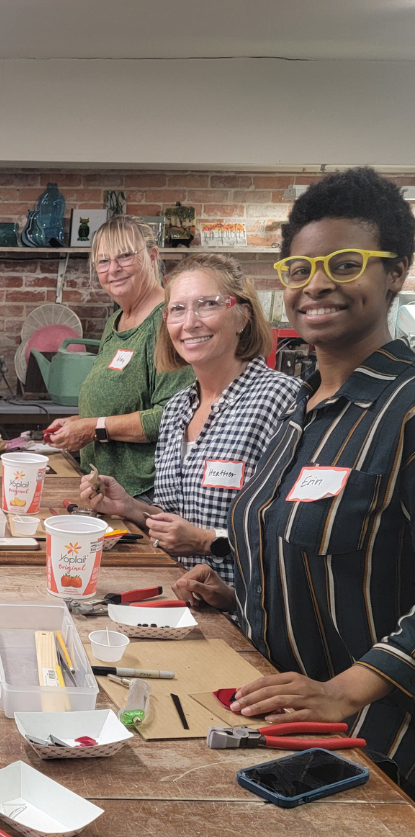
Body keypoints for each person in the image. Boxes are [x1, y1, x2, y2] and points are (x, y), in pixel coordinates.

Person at [173, 168, 415, 792]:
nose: (317, 284)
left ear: (397, 272)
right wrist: (247, 598)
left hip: (378, 746)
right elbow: (314, 549)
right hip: (280, 721)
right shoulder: (297, 410)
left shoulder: (406, 407)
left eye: (345, 262)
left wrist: (343, 691)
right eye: (300, 270)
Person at [78, 253, 300, 584]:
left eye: (207, 304)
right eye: (178, 309)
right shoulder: (178, 408)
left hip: (250, 615)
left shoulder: (281, 399)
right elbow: (175, 520)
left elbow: (294, 536)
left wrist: (203, 543)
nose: (190, 322)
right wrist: (129, 508)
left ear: (242, 315)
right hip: (181, 598)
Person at [44, 215, 195, 498]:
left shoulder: (167, 321)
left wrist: (93, 428)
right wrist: (80, 421)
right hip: (108, 488)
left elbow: (170, 418)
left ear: (152, 256)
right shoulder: (116, 321)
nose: (113, 269)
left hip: (146, 494)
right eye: (103, 261)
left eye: (125, 256)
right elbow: (126, 402)